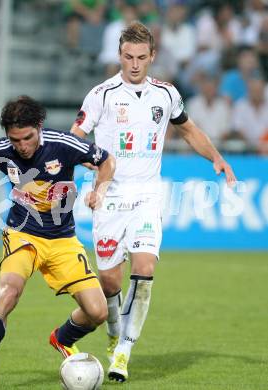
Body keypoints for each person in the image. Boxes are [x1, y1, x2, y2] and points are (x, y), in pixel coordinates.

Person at [71, 21, 236, 382]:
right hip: (110, 197)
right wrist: (96, 168)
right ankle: (114, 334)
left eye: (141, 58)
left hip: (147, 196)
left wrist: (216, 157)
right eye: (128, 57)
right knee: (110, 282)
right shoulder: (101, 94)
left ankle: (124, 353)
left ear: (152, 56)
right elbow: (76, 138)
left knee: (144, 272)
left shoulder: (166, 93)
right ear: (119, 54)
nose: (134, 64)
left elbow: (189, 129)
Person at [0, 96, 115, 389]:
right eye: (15, 139)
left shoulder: (65, 145)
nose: (21, 145)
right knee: (9, 291)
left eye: (27, 137)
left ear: (39, 127)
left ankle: (62, 337)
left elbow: (107, 160)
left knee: (98, 312)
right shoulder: (4, 148)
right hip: (22, 235)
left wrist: (101, 190)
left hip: (62, 240)